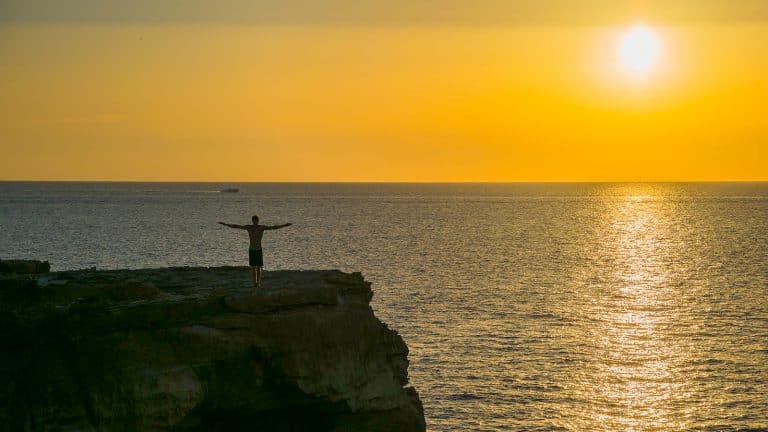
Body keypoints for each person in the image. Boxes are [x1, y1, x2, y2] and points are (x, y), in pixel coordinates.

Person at [218, 215, 292, 289]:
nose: (255, 222)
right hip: (252, 249)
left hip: (259, 249)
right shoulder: (249, 227)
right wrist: (225, 224)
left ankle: (258, 283)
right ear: (252, 221)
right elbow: (236, 226)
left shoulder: (261, 228)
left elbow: (273, 227)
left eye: (256, 220)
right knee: (253, 267)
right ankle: (254, 283)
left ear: (257, 221)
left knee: (259, 267)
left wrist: (285, 225)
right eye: (254, 221)